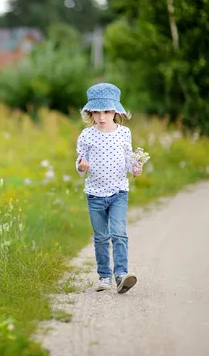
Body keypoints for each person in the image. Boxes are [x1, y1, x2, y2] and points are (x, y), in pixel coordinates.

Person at [75, 83, 142, 294]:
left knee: (119, 233)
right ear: (90, 113)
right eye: (97, 112)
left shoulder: (124, 133)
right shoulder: (86, 135)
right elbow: (80, 164)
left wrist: (135, 167)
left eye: (107, 111)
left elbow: (128, 158)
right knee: (101, 236)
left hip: (118, 193)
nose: (102, 117)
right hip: (95, 195)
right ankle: (104, 276)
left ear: (115, 111)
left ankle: (121, 275)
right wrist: (81, 166)